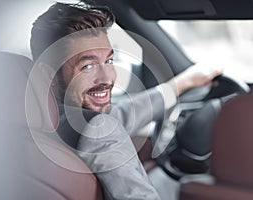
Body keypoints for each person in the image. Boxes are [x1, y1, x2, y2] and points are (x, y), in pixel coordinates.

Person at [29, 2, 222, 200]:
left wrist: (180, 84)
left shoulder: (31, 124)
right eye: (87, 66)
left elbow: (122, 115)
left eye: (109, 61)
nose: (107, 78)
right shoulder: (98, 129)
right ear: (49, 74)